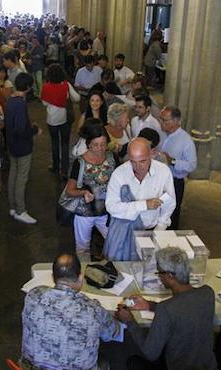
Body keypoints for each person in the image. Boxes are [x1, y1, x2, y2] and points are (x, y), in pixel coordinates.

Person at [108, 247, 217, 370]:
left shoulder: (166, 310)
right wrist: (149, 305)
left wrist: (130, 321)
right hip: (209, 366)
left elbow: (150, 353)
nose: (159, 276)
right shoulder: (208, 293)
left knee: (133, 362)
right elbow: (183, 309)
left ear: (170, 275)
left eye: (159, 272)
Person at [22, 253, 120, 370]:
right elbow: (112, 333)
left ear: (53, 277)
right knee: (104, 360)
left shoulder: (33, 295)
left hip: (30, 367)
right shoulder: (93, 310)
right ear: (80, 278)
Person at [103, 138, 176, 261]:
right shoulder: (119, 174)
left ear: (151, 154)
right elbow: (111, 207)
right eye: (133, 161)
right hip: (125, 234)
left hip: (152, 230)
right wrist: (144, 205)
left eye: (142, 161)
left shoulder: (163, 172)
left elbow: (170, 202)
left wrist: (159, 228)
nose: (138, 167)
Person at [65, 122, 117, 261]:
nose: (100, 149)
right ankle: (85, 271)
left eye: (103, 144)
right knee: (83, 249)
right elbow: (69, 190)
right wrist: (83, 193)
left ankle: (107, 265)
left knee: (115, 242)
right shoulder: (80, 163)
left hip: (107, 212)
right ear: (88, 144)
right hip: (84, 213)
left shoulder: (112, 158)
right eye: (96, 144)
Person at [5, 73, 38, 224]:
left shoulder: (10, 101)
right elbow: (20, 128)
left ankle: (12, 206)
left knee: (13, 174)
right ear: (29, 87)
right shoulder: (20, 103)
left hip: (11, 144)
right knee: (21, 178)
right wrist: (34, 131)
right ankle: (20, 210)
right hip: (22, 146)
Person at [157, 106, 197, 230]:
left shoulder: (186, 140)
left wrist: (173, 161)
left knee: (171, 215)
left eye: (164, 120)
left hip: (174, 182)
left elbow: (192, 165)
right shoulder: (161, 133)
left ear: (175, 121)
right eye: (161, 119)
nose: (161, 123)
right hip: (158, 179)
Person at [41, 63, 80, 177]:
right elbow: (77, 98)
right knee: (65, 143)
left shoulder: (46, 87)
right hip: (65, 118)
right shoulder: (66, 85)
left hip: (51, 119)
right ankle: (64, 170)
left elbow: (44, 103)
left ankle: (55, 166)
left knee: (54, 142)